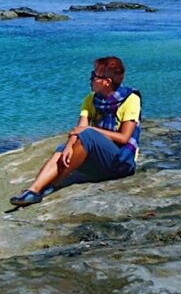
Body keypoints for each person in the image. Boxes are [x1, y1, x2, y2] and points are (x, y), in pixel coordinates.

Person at [10, 56, 141, 207]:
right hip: (100, 161)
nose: (90, 79)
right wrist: (68, 146)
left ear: (107, 82)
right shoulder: (90, 99)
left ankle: (49, 185)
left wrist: (90, 129)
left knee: (89, 135)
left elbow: (124, 138)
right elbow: (79, 129)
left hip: (121, 162)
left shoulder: (131, 99)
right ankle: (34, 191)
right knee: (63, 149)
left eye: (94, 76)